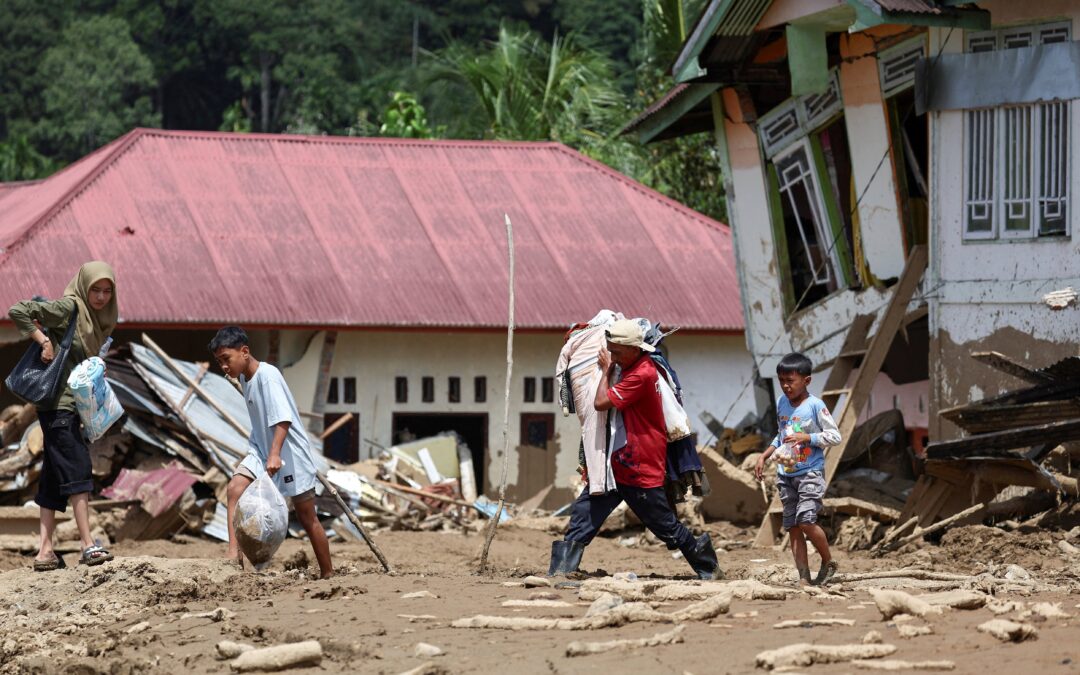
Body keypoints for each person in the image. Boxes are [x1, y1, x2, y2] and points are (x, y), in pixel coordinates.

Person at [548, 319, 720, 580]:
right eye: (611, 351)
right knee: (586, 511)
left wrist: (605, 371)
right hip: (618, 463)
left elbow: (601, 402)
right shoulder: (630, 366)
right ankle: (562, 570)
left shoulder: (642, 374)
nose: (612, 356)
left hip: (639, 465)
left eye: (616, 351)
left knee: (665, 526)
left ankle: (708, 566)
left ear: (635, 349)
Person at [9, 261, 118, 570]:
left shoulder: (100, 320)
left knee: (54, 476)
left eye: (106, 291)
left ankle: (45, 551)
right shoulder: (69, 307)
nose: (100, 297)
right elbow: (19, 310)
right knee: (79, 467)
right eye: (95, 290)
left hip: (75, 406)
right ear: (84, 287)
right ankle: (87, 545)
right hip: (59, 404)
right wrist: (44, 341)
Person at [209, 326, 333, 579]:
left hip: (289, 454)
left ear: (244, 352)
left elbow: (283, 419)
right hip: (261, 449)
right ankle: (234, 557)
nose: (223, 367)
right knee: (234, 489)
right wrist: (266, 453)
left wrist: (275, 454)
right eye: (219, 362)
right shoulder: (245, 378)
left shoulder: (269, 376)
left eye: (226, 359)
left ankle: (328, 572)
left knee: (307, 516)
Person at [755, 352, 842, 586]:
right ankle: (803, 577)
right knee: (793, 526)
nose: (785, 386)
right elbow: (782, 435)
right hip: (786, 475)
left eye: (790, 380)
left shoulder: (815, 406)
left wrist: (809, 437)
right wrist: (765, 455)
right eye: (781, 380)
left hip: (810, 473)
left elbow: (835, 436)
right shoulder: (782, 403)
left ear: (807, 380)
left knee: (806, 521)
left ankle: (828, 561)